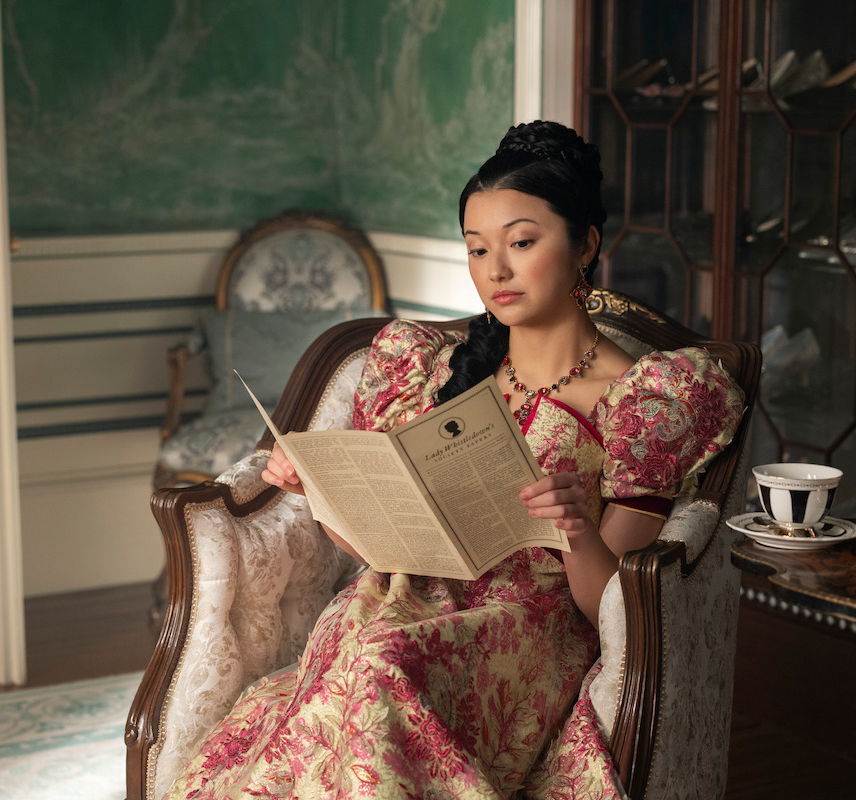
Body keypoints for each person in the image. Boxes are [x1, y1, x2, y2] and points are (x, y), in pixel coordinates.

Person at [168, 121, 745, 799]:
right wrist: (319, 490)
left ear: (585, 243)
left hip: (527, 637)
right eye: (477, 250)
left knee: (384, 668)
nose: (495, 271)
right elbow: (379, 551)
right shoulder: (442, 375)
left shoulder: (644, 400)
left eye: (522, 243)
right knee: (368, 655)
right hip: (394, 607)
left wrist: (579, 531)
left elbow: (612, 609)